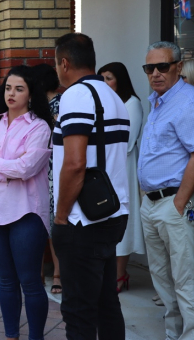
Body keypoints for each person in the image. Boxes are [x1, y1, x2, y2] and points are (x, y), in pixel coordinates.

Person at [51, 33, 130, 340]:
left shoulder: (76, 95)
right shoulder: (113, 96)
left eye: (57, 64)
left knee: (78, 310)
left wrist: (60, 216)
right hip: (111, 211)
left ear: (65, 63)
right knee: (106, 302)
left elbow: (74, 163)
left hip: (83, 218)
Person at [0, 65, 52, 340]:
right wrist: (4, 170)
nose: (11, 94)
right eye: (8, 88)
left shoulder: (39, 127)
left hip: (25, 213)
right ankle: (11, 336)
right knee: (6, 280)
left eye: (19, 89)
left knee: (30, 281)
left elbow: (27, 168)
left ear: (31, 94)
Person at [138, 41, 194, 340]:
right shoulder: (156, 100)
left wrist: (179, 203)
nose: (155, 73)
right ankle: (172, 333)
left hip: (174, 203)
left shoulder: (188, 100)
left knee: (184, 277)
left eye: (162, 66)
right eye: (149, 68)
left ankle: (190, 336)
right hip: (151, 204)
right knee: (162, 278)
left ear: (178, 67)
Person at [98, 62, 146, 293]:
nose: (105, 83)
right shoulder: (104, 105)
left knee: (122, 219)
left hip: (123, 169)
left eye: (109, 78)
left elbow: (126, 143)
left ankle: (119, 275)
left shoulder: (132, 103)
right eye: (102, 79)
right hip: (104, 170)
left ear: (120, 80)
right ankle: (110, 274)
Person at [32, 63, 62, 294]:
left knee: (51, 221)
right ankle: (46, 272)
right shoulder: (37, 107)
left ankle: (56, 274)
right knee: (42, 220)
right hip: (41, 169)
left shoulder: (60, 104)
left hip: (54, 169)